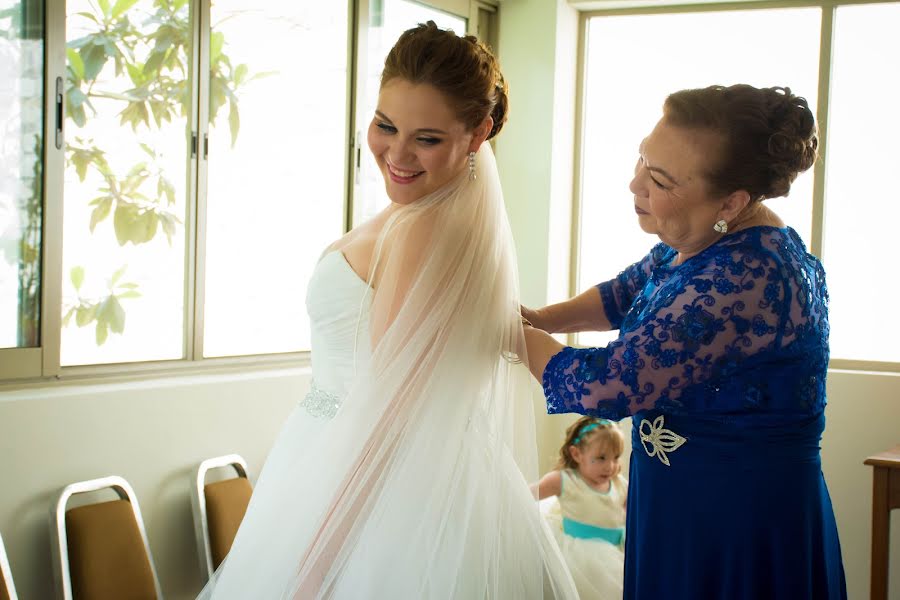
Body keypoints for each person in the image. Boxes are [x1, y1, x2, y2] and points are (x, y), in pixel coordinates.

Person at [198, 22, 578, 599]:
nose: (396, 154)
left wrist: (316, 566)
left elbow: (391, 418)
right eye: (385, 125)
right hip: (352, 462)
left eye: (426, 139)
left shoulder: (425, 231)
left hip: (368, 484)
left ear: (478, 134)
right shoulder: (435, 216)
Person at [521, 84, 847, 599]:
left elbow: (608, 385)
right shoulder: (708, 240)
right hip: (679, 500)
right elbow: (624, 293)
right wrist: (539, 316)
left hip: (734, 517)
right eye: (642, 160)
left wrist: (515, 336)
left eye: (659, 180)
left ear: (732, 201)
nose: (634, 185)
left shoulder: (747, 278)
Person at [535, 417, 627, 599]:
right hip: (580, 560)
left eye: (615, 457)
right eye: (601, 458)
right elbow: (527, 495)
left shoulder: (620, 484)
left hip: (616, 554)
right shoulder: (565, 480)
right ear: (577, 454)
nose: (610, 466)